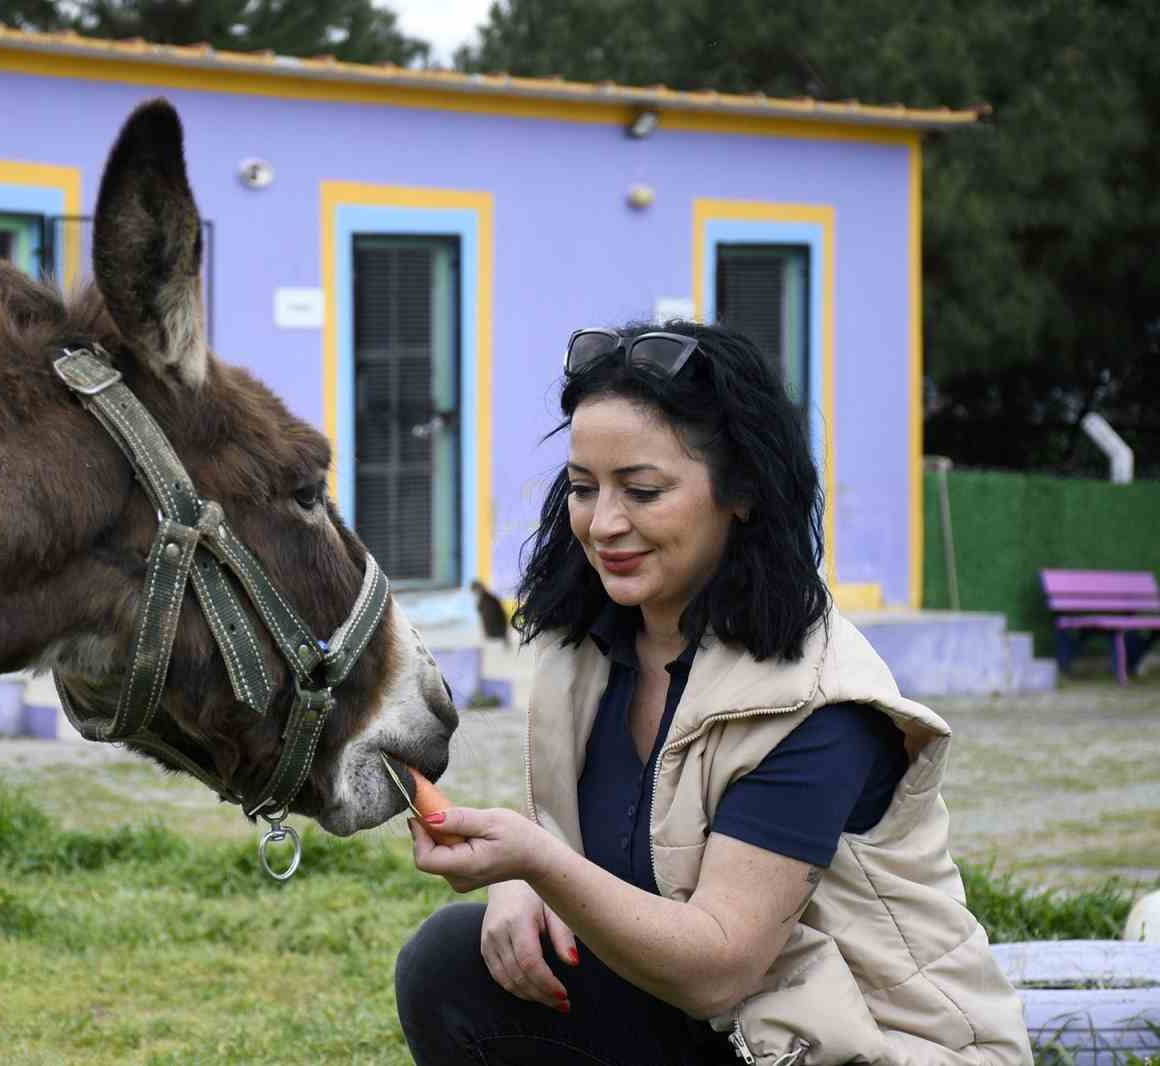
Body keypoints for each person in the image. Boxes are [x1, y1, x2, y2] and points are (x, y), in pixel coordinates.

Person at [393, 322, 1030, 1065]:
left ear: (743, 492)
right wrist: (520, 883)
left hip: (870, 1047)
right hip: (726, 1032)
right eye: (583, 488)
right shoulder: (587, 648)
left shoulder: (815, 701)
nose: (604, 524)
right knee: (451, 965)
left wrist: (537, 865)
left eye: (643, 491)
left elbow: (718, 966)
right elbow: (576, 849)